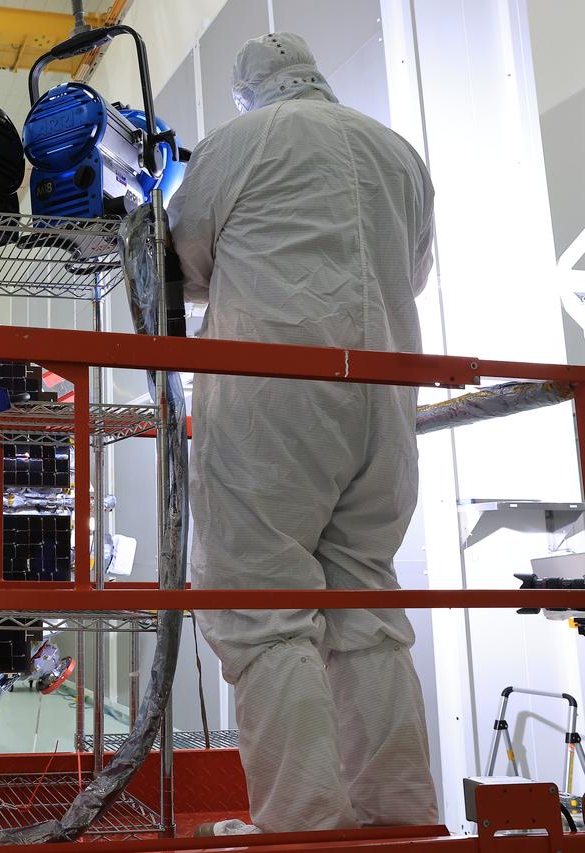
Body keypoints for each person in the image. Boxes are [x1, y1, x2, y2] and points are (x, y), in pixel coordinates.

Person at [167, 33, 438, 833]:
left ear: (250, 89)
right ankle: (400, 814)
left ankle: (302, 823)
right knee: (367, 606)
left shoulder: (241, 140)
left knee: (263, 608)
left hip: (273, 401)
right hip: (385, 402)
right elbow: (413, 272)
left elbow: (187, 260)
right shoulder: (399, 155)